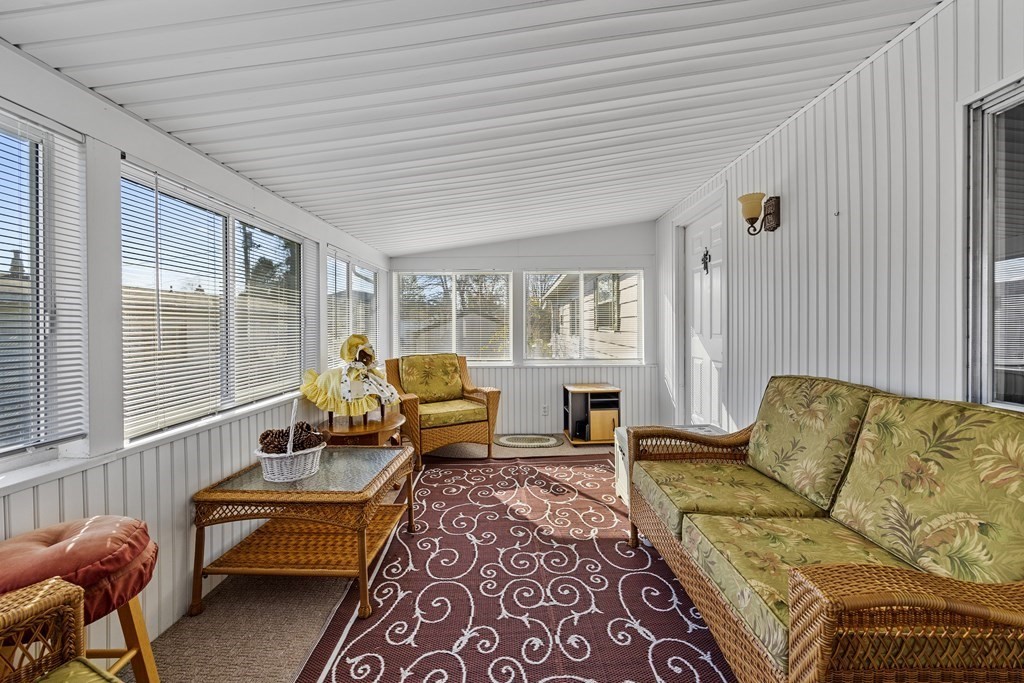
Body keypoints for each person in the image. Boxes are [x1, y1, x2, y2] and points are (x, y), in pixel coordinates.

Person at [300, 334, 399, 425]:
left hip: (362, 373)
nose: (367, 358)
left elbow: (369, 366)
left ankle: (370, 415)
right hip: (354, 373)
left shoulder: (368, 367)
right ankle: (350, 419)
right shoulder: (352, 366)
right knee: (352, 387)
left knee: (376, 385)